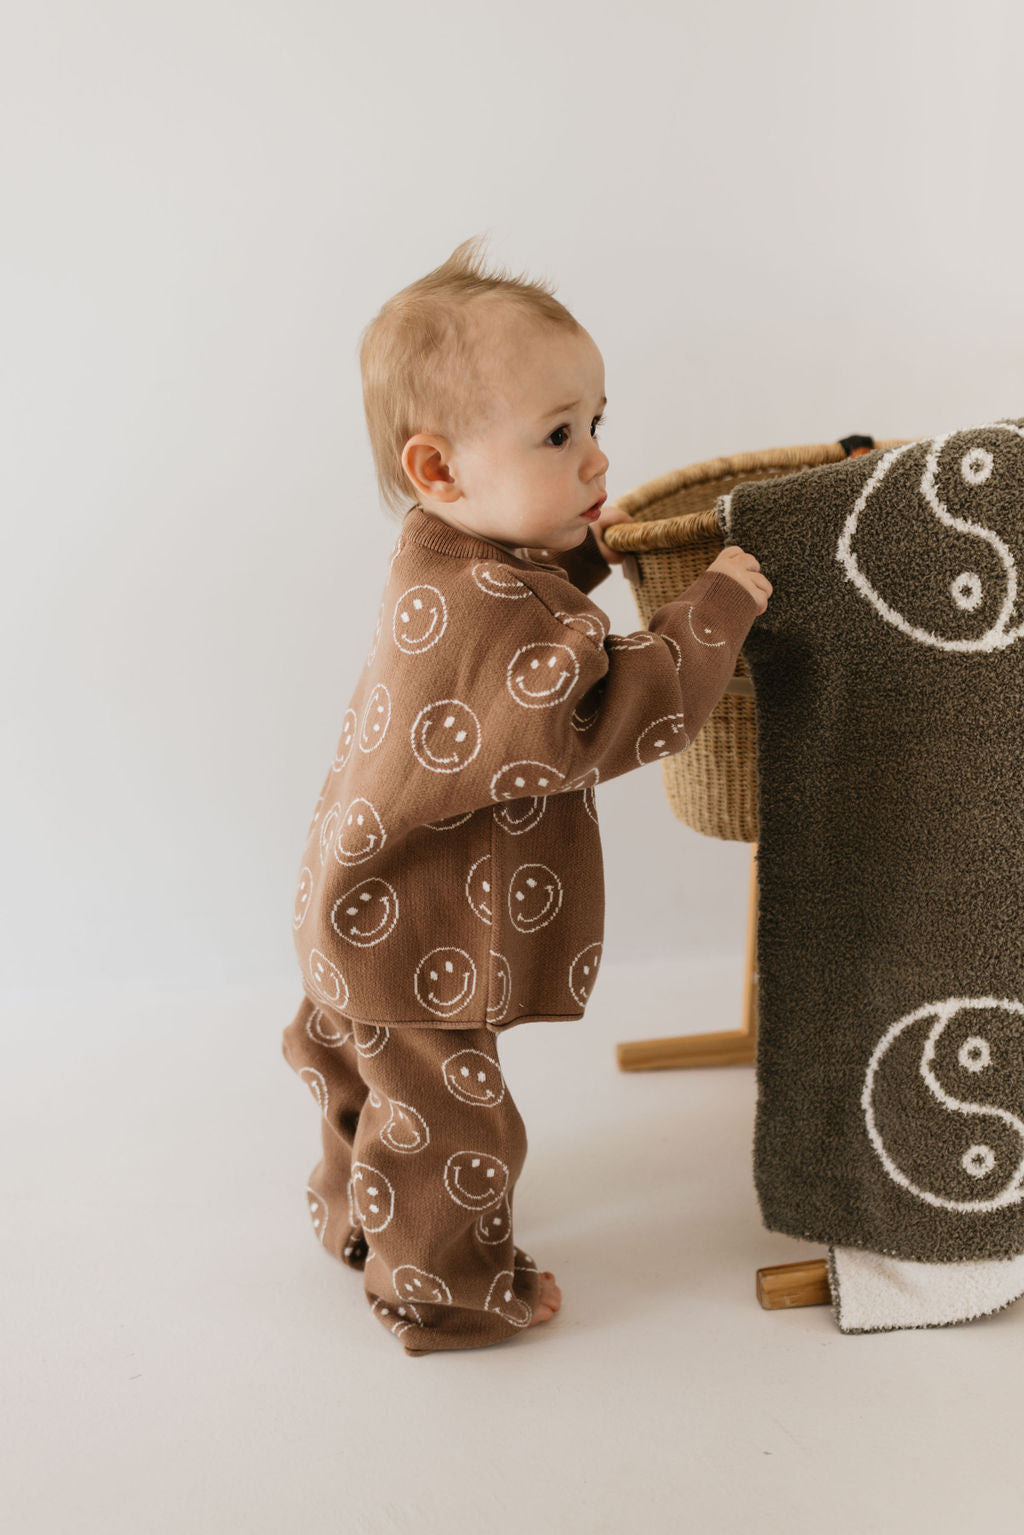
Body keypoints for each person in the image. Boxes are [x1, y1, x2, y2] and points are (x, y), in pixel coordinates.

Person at [282, 236, 772, 1355]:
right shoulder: (492, 605)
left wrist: (589, 554)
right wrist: (711, 611)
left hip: (359, 906)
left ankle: (353, 1212)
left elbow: (523, 606)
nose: (595, 457)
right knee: (456, 1126)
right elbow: (601, 714)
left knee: (368, 1082)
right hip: (407, 930)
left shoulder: (438, 558)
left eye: (596, 421)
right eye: (559, 435)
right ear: (439, 470)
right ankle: (442, 1294)